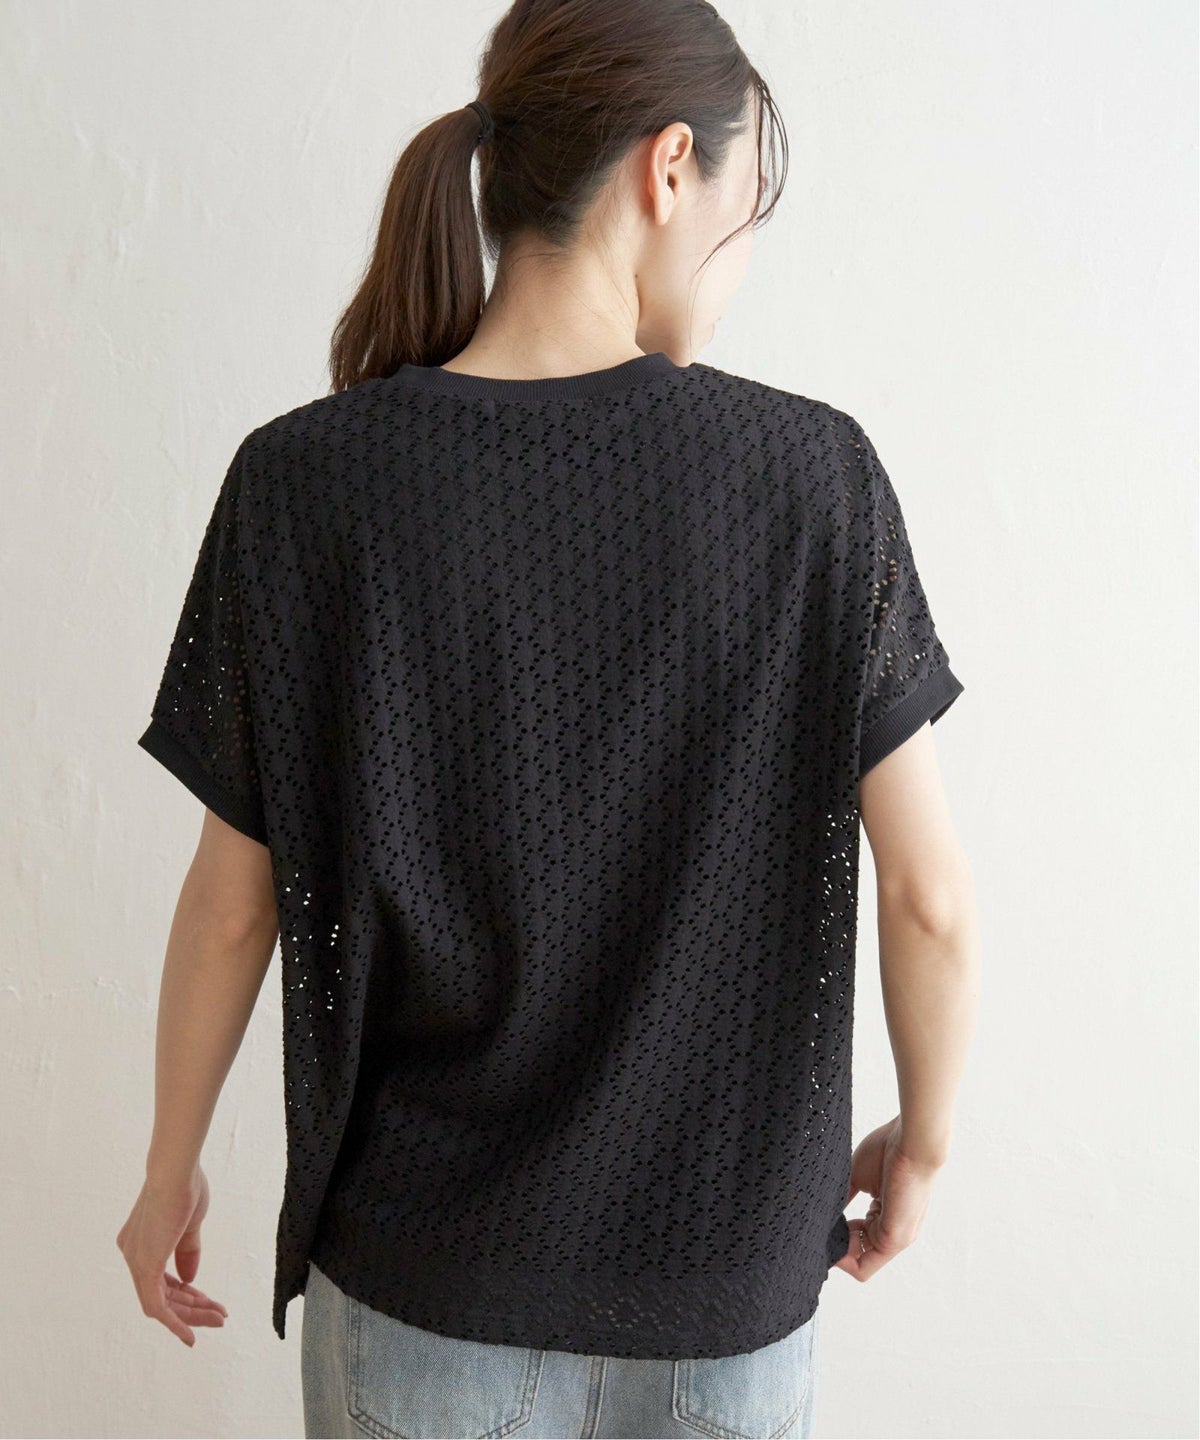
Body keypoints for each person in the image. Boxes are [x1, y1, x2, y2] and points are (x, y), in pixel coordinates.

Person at [116, 1, 980, 1436]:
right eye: (746, 211)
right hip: (724, 1296)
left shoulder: (302, 486)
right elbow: (930, 896)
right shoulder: (814, 482)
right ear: (667, 168)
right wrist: (926, 1147)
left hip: (420, 1287)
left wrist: (168, 1169)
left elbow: (230, 905)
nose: (741, 261)